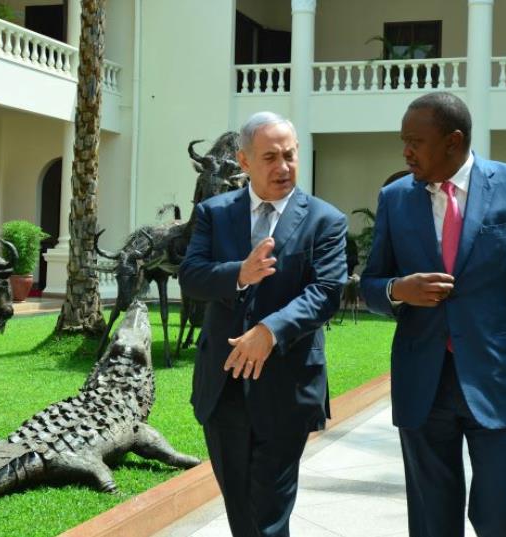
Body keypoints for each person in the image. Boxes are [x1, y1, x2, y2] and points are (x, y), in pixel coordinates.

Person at [360, 92, 506, 537]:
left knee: (504, 517)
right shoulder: (395, 197)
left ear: (453, 141)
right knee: (432, 523)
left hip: (501, 384)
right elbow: (370, 284)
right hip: (423, 385)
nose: (406, 152)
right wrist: (399, 290)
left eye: (415, 141)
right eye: (404, 141)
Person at [179, 111, 347, 537]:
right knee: (241, 510)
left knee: (269, 512)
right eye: (270, 157)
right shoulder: (214, 214)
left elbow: (326, 292)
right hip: (224, 385)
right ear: (244, 161)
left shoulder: (325, 220)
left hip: (287, 387)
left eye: (290, 155)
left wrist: (269, 332)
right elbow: (192, 276)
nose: (284, 167)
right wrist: (239, 273)